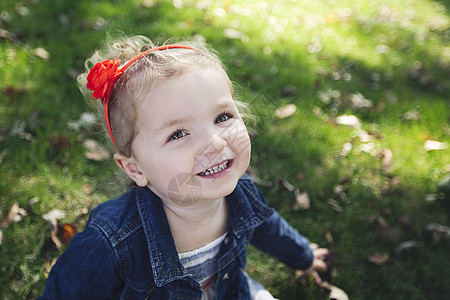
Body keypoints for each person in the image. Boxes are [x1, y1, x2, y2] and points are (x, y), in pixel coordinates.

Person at [39, 35, 328, 300]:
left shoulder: (241, 193)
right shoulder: (111, 241)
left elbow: (267, 227)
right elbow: (67, 292)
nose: (215, 143)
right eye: (178, 134)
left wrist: (302, 255)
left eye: (222, 117)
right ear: (136, 169)